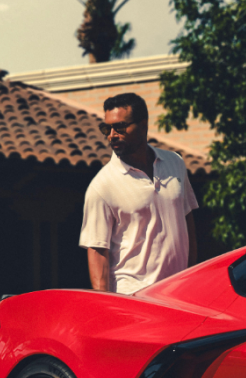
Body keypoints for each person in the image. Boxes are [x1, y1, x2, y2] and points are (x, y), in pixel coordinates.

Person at [80, 92, 199, 294]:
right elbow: (97, 250)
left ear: (143, 125)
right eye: (106, 129)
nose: (111, 135)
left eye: (119, 127)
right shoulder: (102, 186)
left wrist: (191, 277)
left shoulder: (175, 163)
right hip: (134, 297)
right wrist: (106, 305)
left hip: (179, 291)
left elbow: (187, 222)